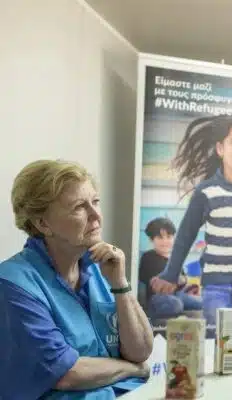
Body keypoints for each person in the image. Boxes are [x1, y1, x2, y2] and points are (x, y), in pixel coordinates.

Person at [0, 160, 153, 399]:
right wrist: (131, 370)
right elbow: (64, 372)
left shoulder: (100, 269)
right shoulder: (14, 283)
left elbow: (140, 351)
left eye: (95, 202)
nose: (96, 216)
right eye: (79, 207)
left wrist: (120, 285)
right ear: (43, 223)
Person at [150, 114, 232, 335]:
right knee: (219, 340)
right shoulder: (206, 191)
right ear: (220, 148)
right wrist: (170, 274)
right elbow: (186, 235)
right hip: (217, 284)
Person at [138, 217, 202, 319]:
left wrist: (188, 285)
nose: (165, 241)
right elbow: (149, 280)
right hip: (158, 297)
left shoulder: (175, 258)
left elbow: (183, 280)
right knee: (175, 304)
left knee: (201, 302)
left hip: (178, 294)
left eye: (168, 237)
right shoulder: (148, 257)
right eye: (160, 238)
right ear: (151, 239)